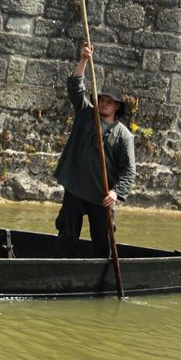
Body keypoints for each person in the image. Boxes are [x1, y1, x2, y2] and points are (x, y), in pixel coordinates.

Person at [53, 43, 136, 257]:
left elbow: (129, 171)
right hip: (76, 188)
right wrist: (83, 60)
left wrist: (115, 192)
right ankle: (61, 266)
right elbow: (74, 87)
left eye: (110, 102)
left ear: (117, 106)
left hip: (102, 196)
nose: (104, 104)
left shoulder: (124, 136)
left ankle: (100, 276)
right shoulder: (86, 115)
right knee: (67, 235)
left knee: (103, 241)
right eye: (102, 100)